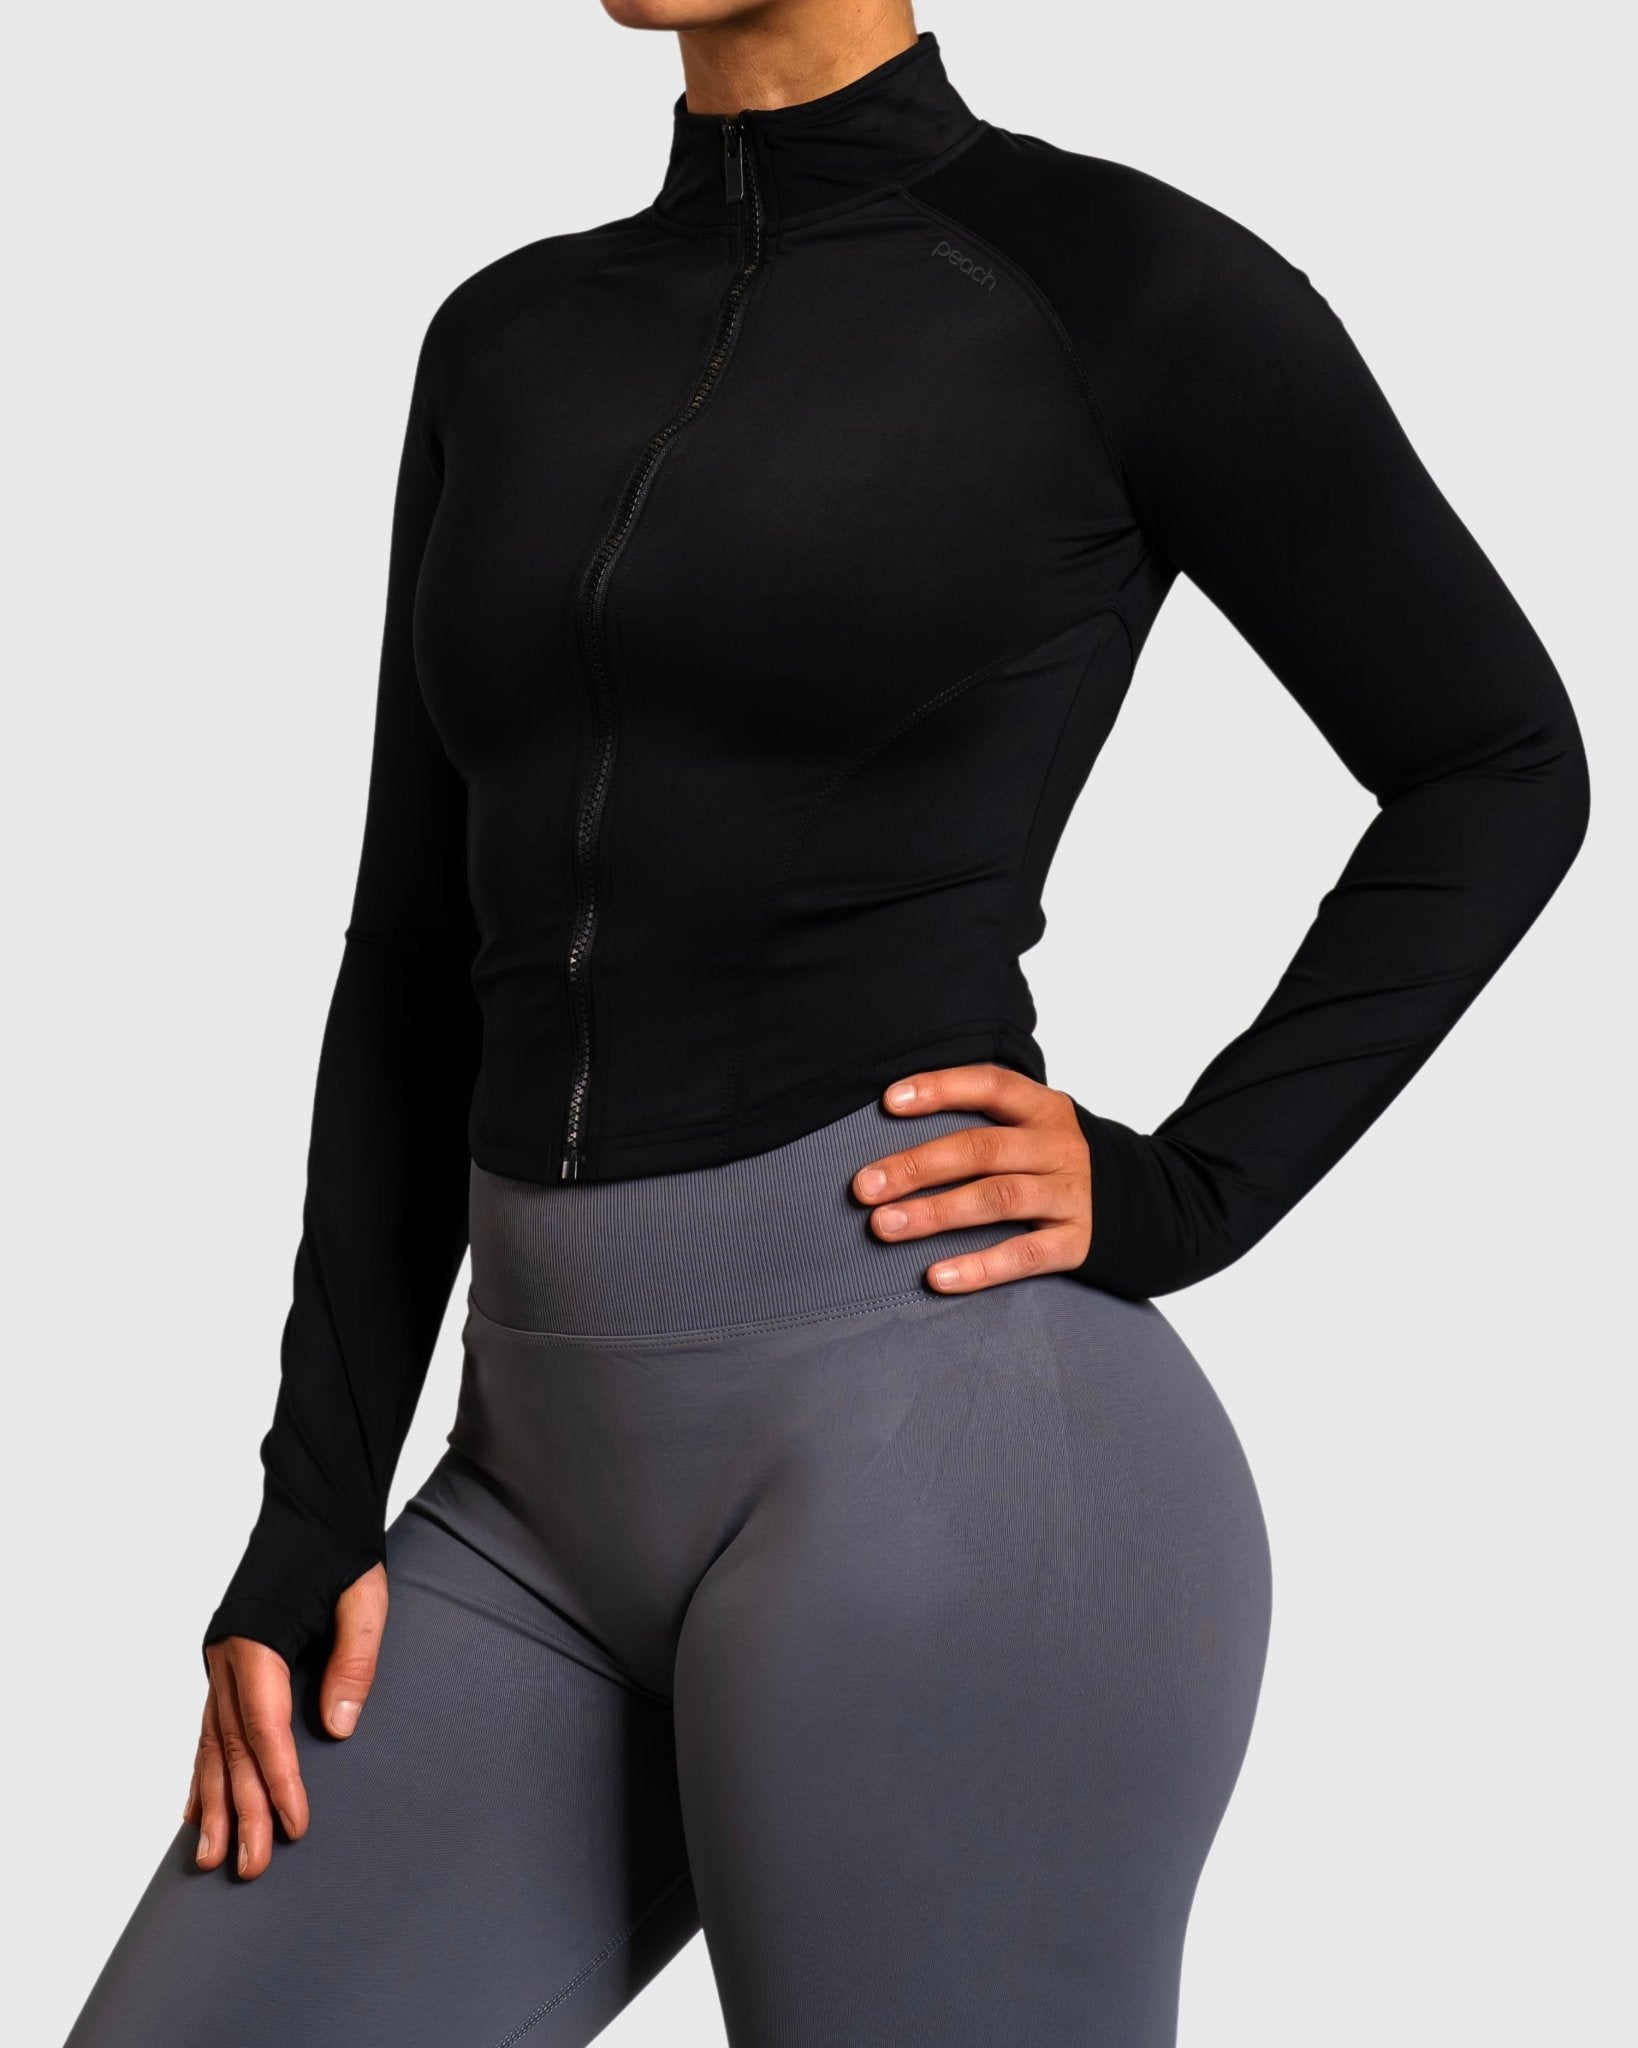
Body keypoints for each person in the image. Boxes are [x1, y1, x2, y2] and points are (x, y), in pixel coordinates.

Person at [64, 2, 1589, 2042]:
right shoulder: (509, 338)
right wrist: (312, 1501)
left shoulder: (1126, 291)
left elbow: (1497, 760)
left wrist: (1191, 1189)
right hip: (527, 1494)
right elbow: (420, 946)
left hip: (945, 1462)